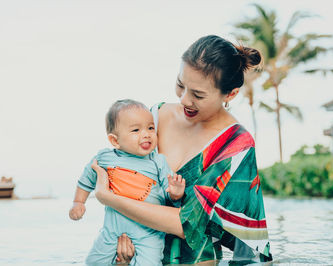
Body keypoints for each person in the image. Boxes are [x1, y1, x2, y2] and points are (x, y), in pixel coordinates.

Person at [92, 35, 273, 264]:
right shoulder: (155, 117)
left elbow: (186, 223)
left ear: (230, 94)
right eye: (180, 84)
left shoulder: (235, 145)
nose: (185, 99)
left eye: (198, 95)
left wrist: (106, 197)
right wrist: (121, 237)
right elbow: (126, 177)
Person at [69, 99, 185, 265]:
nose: (146, 134)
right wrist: (78, 202)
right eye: (136, 130)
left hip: (149, 232)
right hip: (112, 230)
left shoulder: (158, 161)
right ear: (115, 141)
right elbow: (85, 180)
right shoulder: (105, 158)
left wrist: (175, 192)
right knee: (94, 262)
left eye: (150, 128)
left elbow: (170, 194)